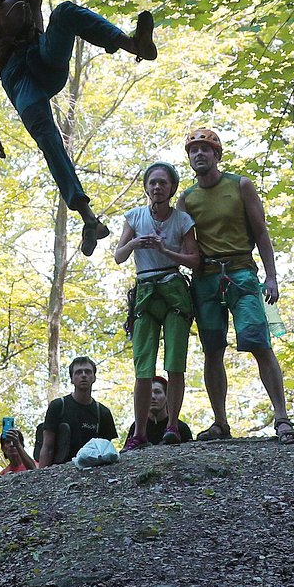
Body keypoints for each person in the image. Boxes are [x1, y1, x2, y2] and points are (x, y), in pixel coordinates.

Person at [0, 0, 158, 257]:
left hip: (42, 56)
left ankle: (133, 45)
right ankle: (88, 219)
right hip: (18, 81)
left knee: (65, 11)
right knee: (48, 138)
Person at [176, 128, 294, 445]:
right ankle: (220, 422)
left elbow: (261, 233)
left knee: (259, 342)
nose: (199, 154)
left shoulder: (240, 185)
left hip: (242, 272)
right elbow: (184, 244)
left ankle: (282, 418)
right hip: (205, 279)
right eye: (194, 150)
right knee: (212, 349)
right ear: (189, 158)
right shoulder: (186, 199)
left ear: (217, 155)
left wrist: (271, 276)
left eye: (205, 149)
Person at [115, 161, 200, 450]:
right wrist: (137, 243)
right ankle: (139, 432)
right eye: (153, 183)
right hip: (145, 292)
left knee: (175, 363)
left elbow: (194, 260)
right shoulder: (135, 217)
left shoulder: (182, 220)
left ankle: (172, 426)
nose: (157, 187)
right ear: (146, 187)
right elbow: (119, 256)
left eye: (163, 183)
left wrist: (165, 250)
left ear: (172, 188)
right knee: (143, 366)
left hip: (174, 289)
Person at [37, 356, 119, 466]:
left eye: (88, 372)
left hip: (92, 471)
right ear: (71, 379)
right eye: (78, 372)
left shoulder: (103, 413)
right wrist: (43, 477)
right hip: (60, 470)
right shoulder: (58, 406)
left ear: (94, 378)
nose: (83, 375)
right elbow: (47, 447)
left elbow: (105, 450)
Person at [124, 375, 193, 445]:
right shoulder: (136, 428)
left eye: (157, 392)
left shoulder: (180, 428)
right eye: (148, 393)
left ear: (167, 396)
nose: (152, 396)